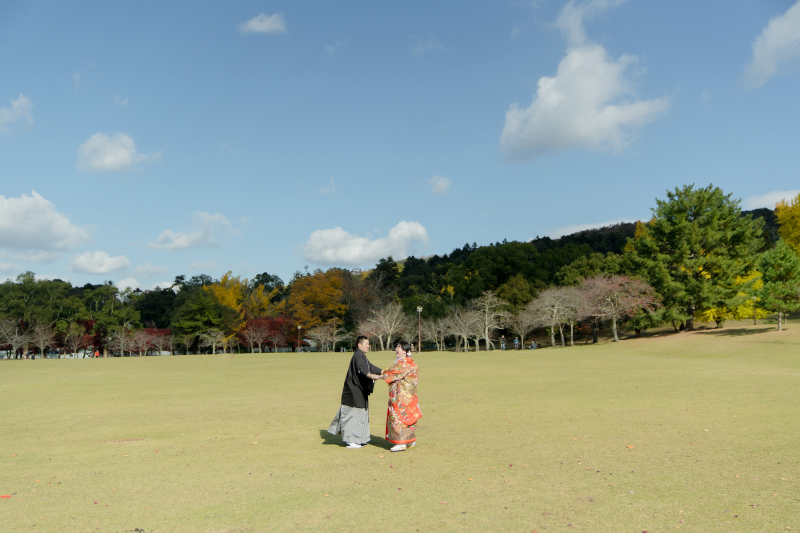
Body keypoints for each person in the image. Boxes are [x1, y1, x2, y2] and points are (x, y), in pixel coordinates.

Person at [328, 336, 383, 449]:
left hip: (360, 390)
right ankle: (351, 441)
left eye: (368, 344)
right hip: (353, 391)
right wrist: (370, 375)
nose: (368, 346)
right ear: (359, 345)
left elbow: (370, 367)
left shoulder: (362, 356)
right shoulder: (357, 356)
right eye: (366, 344)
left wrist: (383, 371)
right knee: (352, 415)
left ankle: (360, 439)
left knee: (361, 413)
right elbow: (361, 369)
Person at [380, 340, 422, 452]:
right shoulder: (409, 363)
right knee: (408, 417)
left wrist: (378, 376)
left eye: (399, 347)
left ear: (405, 351)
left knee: (398, 417)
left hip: (400, 396)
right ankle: (410, 440)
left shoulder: (403, 363)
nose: (396, 349)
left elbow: (392, 374)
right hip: (409, 396)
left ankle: (401, 443)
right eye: (397, 346)